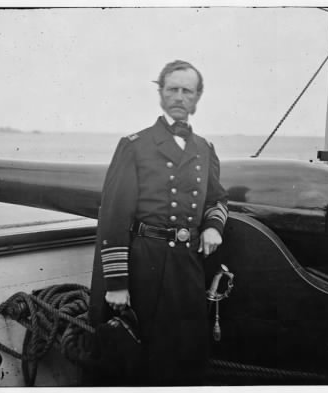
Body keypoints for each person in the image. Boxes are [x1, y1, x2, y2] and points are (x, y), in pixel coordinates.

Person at [89, 60, 229, 386]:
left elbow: (218, 199)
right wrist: (117, 284)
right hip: (145, 266)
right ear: (161, 94)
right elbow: (113, 217)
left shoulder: (204, 149)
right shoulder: (135, 145)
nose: (180, 97)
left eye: (187, 91)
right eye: (173, 89)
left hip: (188, 265)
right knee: (146, 359)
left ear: (197, 98)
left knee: (188, 353)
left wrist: (212, 226)